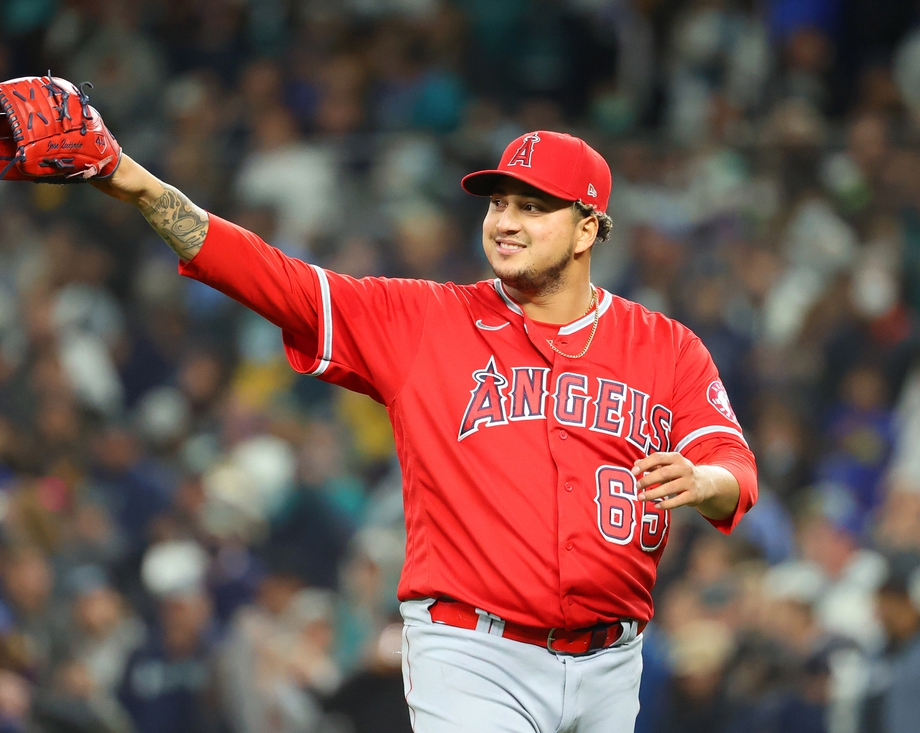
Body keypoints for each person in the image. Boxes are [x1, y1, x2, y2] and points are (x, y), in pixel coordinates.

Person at [86, 129, 758, 732]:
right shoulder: (425, 321)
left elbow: (734, 467)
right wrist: (133, 181)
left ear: (587, 230)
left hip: (614, 661)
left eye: (532, 206)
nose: (506, 222)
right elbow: (276, 280)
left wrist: (704, 481)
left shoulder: (666, 347)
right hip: (474, 653)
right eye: (499, 203)